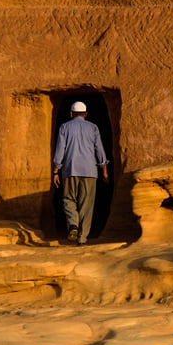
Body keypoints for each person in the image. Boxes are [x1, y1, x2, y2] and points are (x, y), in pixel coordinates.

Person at [51, 100, 109, 245]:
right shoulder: (93, 128)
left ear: (71, 114)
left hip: (70, 169)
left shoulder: (65, 127)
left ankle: (73, 224)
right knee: (87, 205)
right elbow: (99, 150)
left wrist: (56, 170)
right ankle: (82, 238)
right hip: (90, 170)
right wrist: (105, 171)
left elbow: (60, 150)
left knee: (68, 199)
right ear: (86, 114)